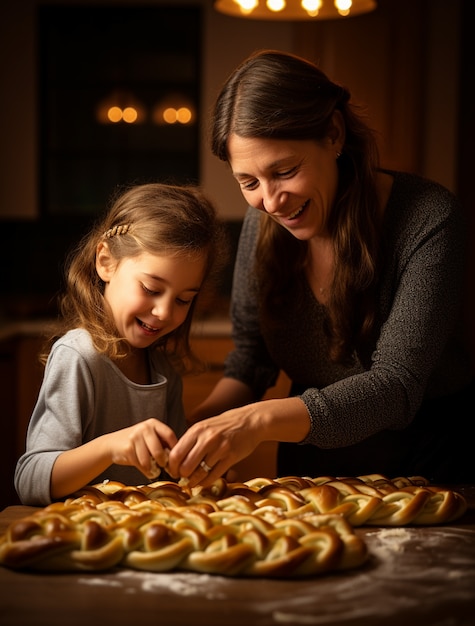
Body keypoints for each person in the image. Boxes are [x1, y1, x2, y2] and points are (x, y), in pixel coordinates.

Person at [167, 49, 474, 488]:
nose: (271, 203)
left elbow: (395, 388)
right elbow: (251, 363)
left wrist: (254, 422)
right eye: (249, 182)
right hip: (308, 464)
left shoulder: (428, 217)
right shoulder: (261, 224)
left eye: (286, 170)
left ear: (333, 134)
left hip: (428, 464)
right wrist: (192, 430)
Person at [15, 182, 227, 506]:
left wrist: (200, 469)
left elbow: (173, 478)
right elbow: (30, 478)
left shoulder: (163, 370)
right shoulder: (79, 357)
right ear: (106, 262)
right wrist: (111, 446)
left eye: (184, 300)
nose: (164, 312)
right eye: (151, 288)